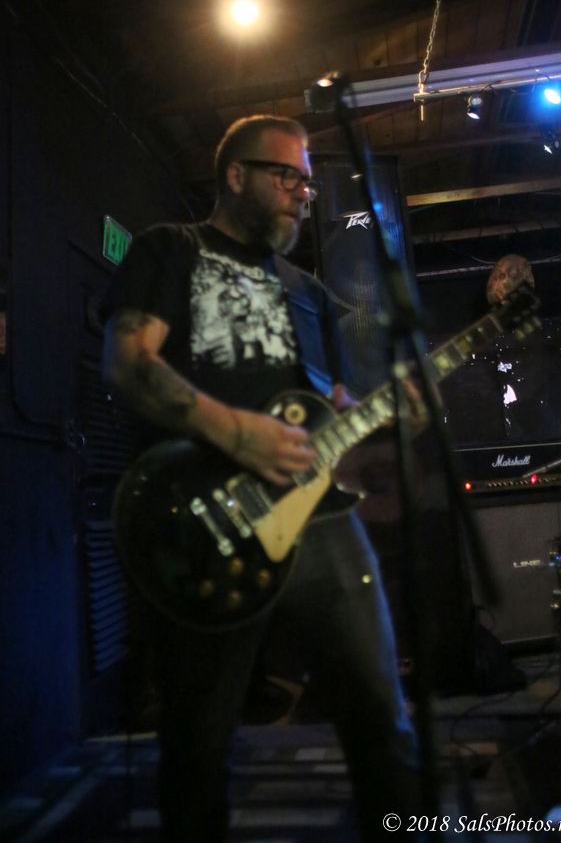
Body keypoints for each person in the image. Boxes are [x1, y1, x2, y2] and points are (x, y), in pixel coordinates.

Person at [102, 114, 422, 843]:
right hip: (205, 518)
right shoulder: (169, 250)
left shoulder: (309, 292)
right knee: (198, 745)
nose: (304, 194)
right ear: (235, 175)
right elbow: (127, 363)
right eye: (287, 177)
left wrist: (386, 422)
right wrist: (236, 430)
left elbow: (331, 414)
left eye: (308, 183)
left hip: (322, 524)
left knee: (382, 718)